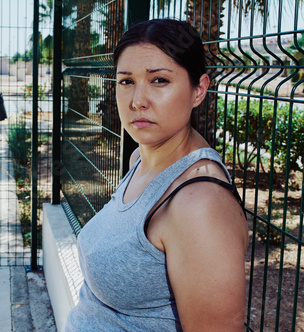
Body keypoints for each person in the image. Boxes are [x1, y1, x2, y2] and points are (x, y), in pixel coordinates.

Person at [64, 18, 248, 331]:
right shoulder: (140, 159)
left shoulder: (198, 203)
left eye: (159, 80)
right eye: (126, 81)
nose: (138, 101)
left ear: (199, 90)